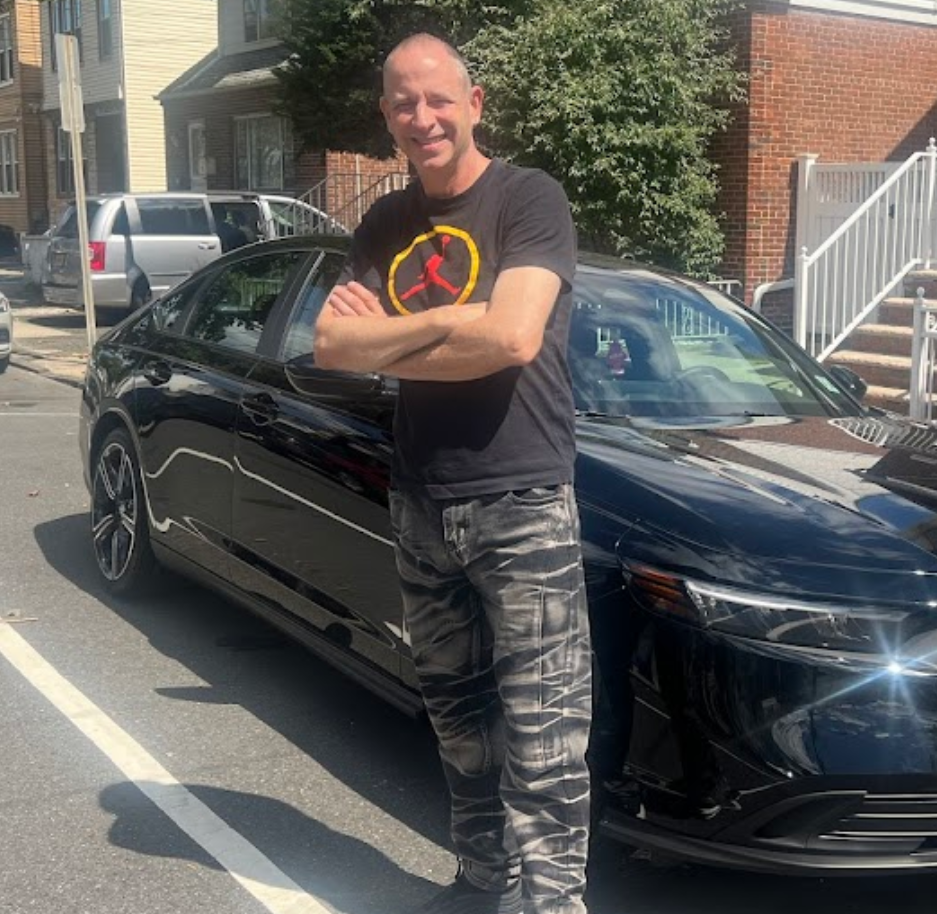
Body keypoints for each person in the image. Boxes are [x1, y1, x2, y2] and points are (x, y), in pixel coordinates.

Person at [313, 33, 591, 914]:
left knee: (545, 738)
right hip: (421, 503)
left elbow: (513, 338)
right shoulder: (385, 223)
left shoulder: (528, 200)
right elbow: (331, 345)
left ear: (474, 104)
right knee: (459, 723)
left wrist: (390, 341)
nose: (422, 117)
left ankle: (548, 905)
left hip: (523, 502)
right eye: (403, 103)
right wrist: (452, 328)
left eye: (438, 99)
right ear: (388, 118)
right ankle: (478, 886)